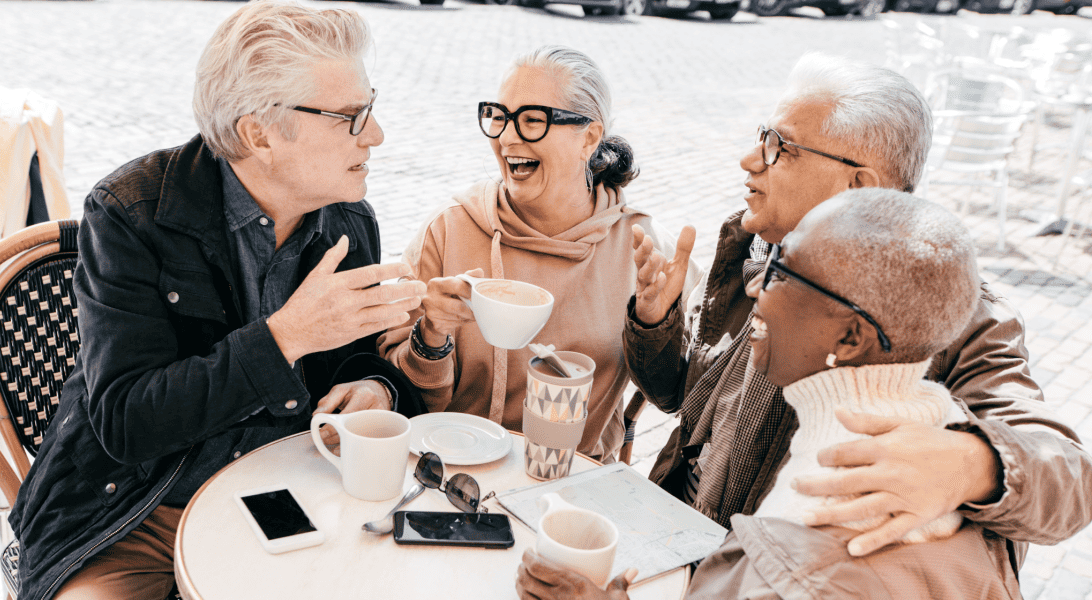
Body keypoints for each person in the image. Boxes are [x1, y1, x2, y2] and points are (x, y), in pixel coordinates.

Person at [8, 3, 427, 599]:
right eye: (350, 117)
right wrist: (284, 338)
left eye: (371, 107)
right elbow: (127, 423)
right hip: (135, 510)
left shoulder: (348, 220)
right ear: (259, 134)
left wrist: (374, 388)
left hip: (291, 498)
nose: (376, 134)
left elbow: (350, 367)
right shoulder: (132, 214)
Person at [625, 51, 1091, 572]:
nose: (749, 160)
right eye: (761, 136)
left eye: (779, 147)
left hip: (771, 573)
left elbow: (1070, 478)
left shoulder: (947, 309)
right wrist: (655, 321)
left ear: (859, 187)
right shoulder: (761, 250)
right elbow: (680, 397)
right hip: (677, 539)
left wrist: (973, 464)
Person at [517, 189, 1023, 600]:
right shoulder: (929, 454)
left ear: (850, 337)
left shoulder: (815, 538)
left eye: (783, 274)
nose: (755, 289)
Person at [377, 46, 695, 461]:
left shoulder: (642, 249)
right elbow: (398, 394)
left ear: (589, 138)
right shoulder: (448, 230)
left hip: (576, 477)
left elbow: (674, 394)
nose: (507, 138)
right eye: (500, 117)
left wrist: (653, 325)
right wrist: (432, 335)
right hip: (452, 469)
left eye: (532, 120)